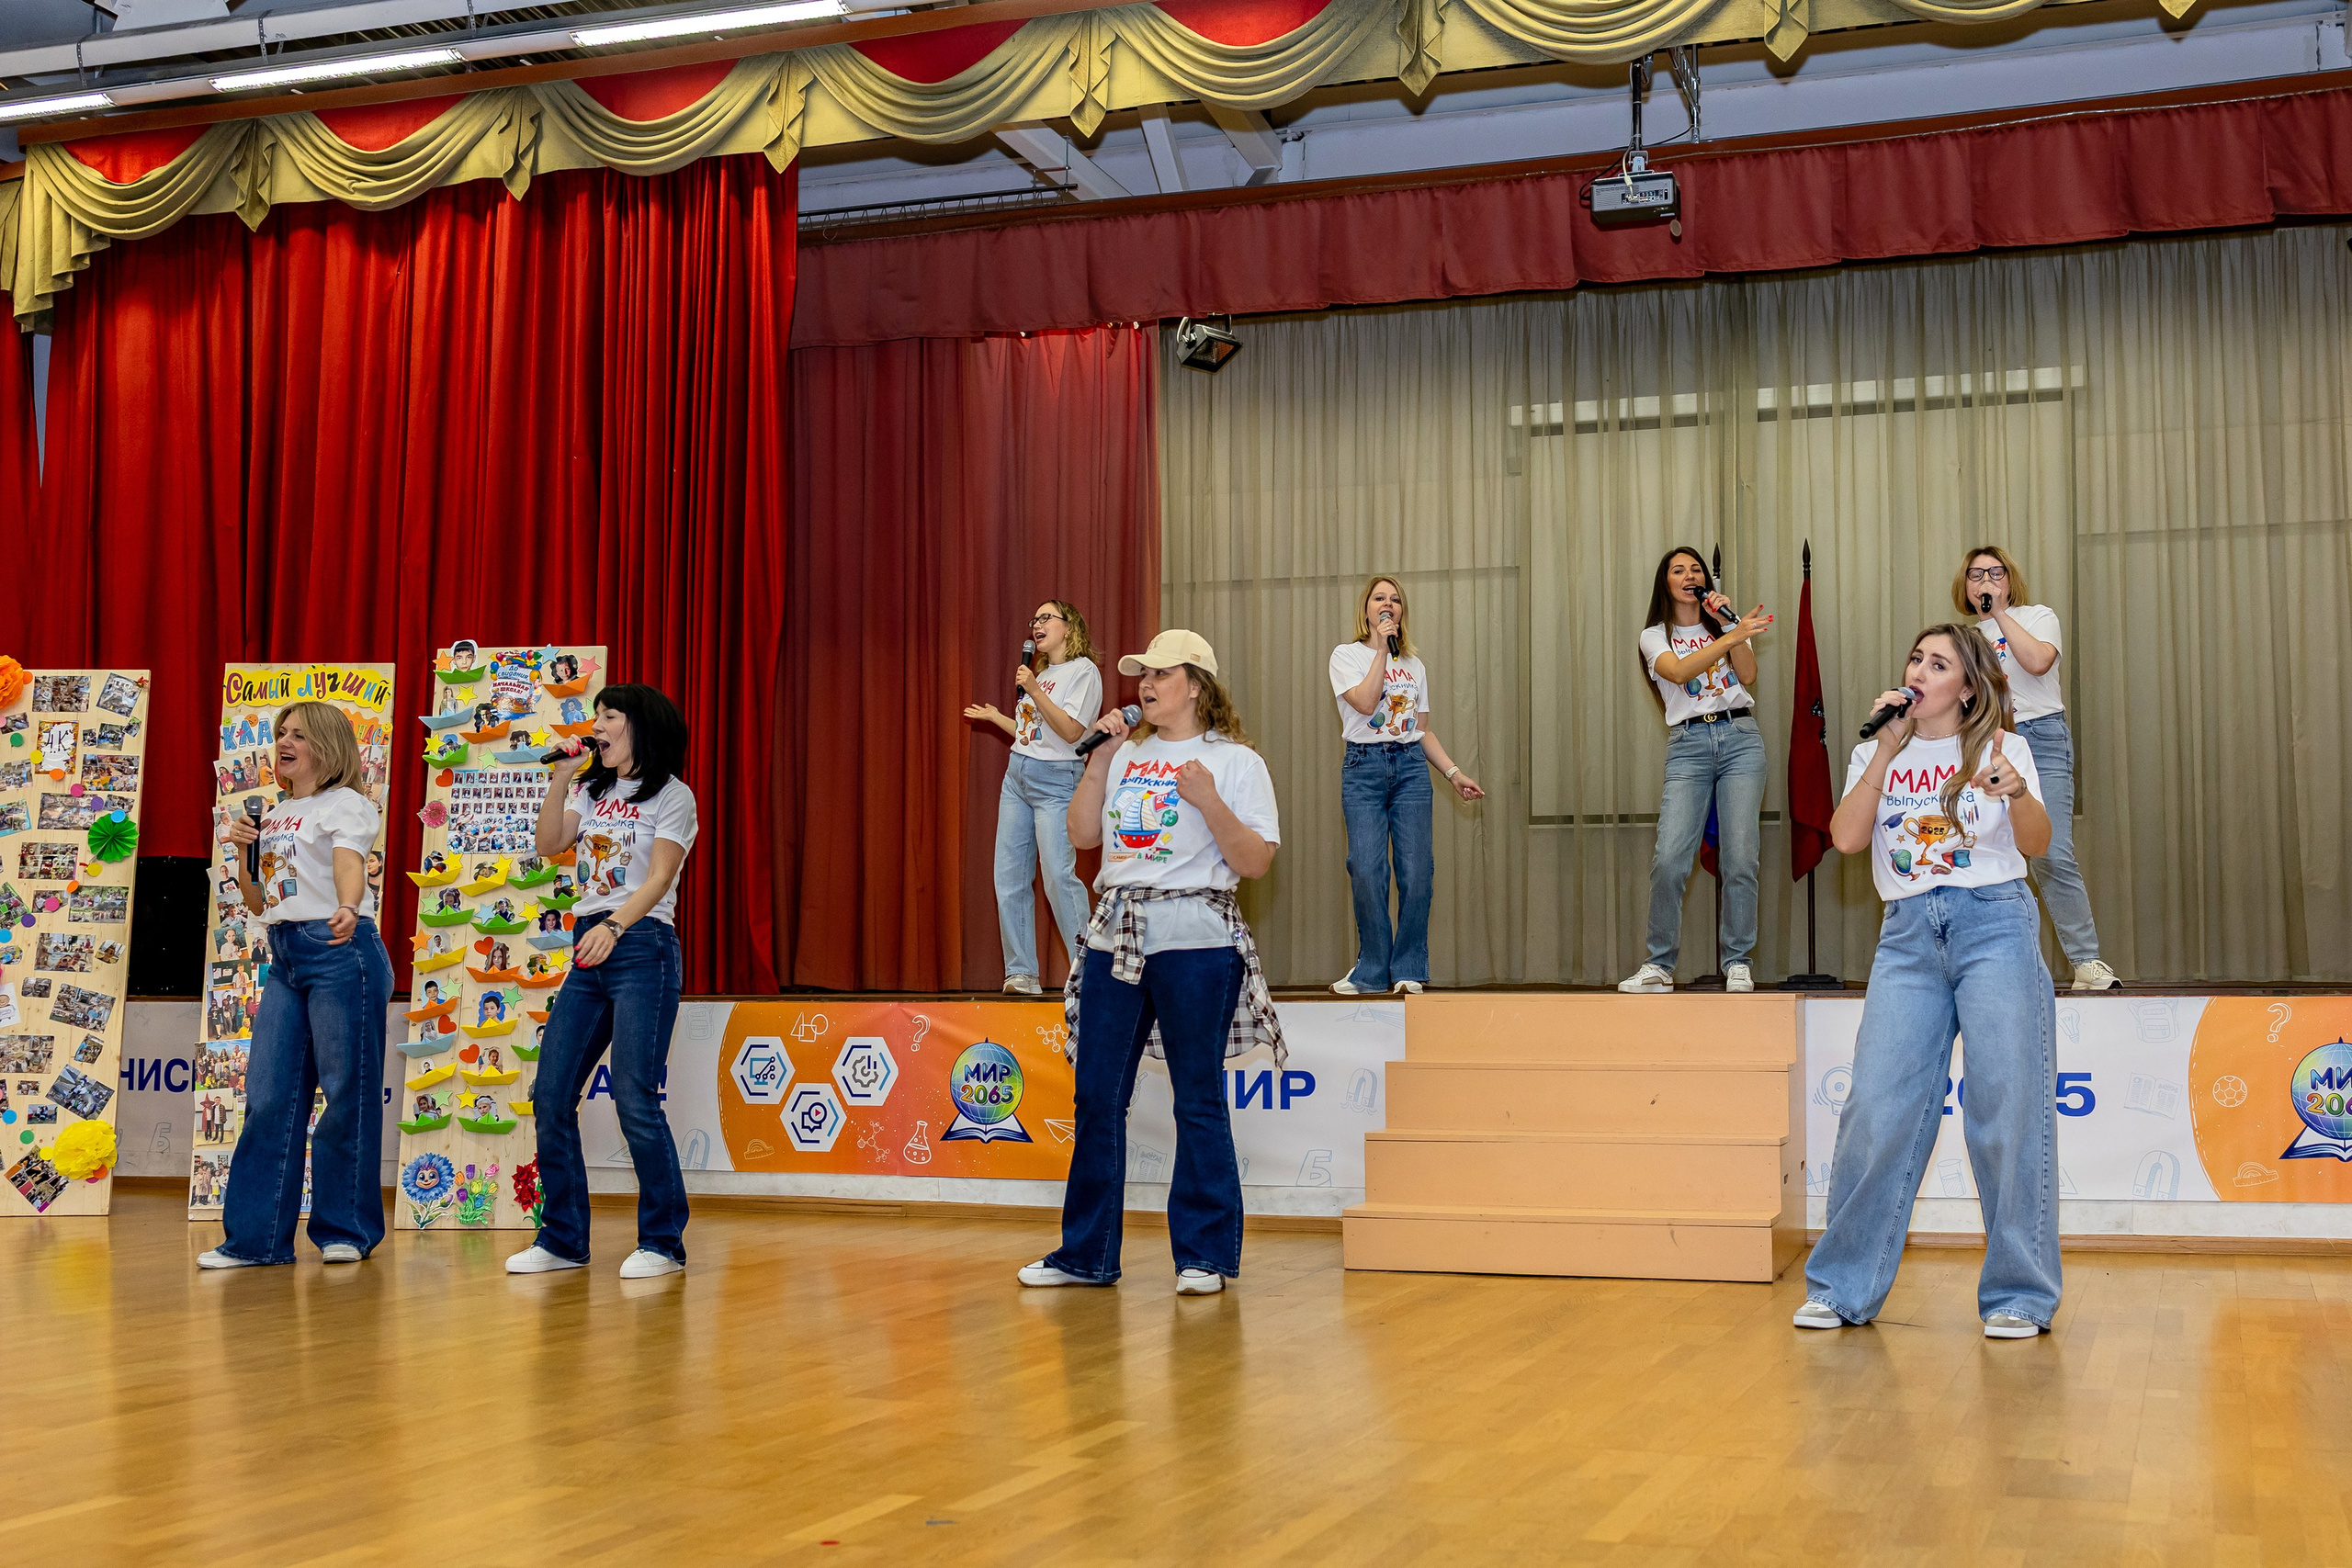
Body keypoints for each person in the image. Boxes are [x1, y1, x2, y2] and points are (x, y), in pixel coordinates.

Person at [1798, 624, 2060, 1339]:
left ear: (1967, 685)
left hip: (1994, 924)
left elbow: (2035, 843)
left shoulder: (2005, 748)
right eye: (1915, 657)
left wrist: (2018, 793)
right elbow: (1847, 837)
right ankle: (1843, 1286)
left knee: (2007, 1107)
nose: (1919, 668)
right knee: (1876, 1107)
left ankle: (2019, 1294)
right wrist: (1883, 751)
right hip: (1909, 938)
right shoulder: (1875, 748)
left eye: (1938, 662)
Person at [1017, 631, 1282, 1297]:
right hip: (1118, 935)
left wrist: (1209, 801)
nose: (1145, 683)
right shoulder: (1124, 754)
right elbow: (1082, 836)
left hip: (1197, 937)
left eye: (1161, 674)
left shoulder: (1236, 762)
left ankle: (1203, 1254)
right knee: (1097, 1095)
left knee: (1197, 1097)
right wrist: (1098, 763)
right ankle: (1087, 1253)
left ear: (1195, 684)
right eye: (1141, 674)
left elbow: (1254, 861)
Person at [506, 683, 699, 1280]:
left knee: (636, 1098)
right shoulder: (593, 789)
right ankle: (563, 1238)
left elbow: (661, 876)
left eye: (608, 717)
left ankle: (663, 1242)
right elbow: (548, 845)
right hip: (590, 943)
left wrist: (615, 926)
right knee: (551, 1093)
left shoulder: (673, 796)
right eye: (596, 718)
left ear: (640, 726)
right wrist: (562, 776)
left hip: (641, 944)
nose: (596, 727)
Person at [199, 701, 391, 1269]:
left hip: (340, 948)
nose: (284, 742)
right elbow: (259, 902)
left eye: (299, 735)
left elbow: (349, 862)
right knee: (268, 1097)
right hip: (284, 954)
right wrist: (241, 850)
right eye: (281, 733)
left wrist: (350, 905)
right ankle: (254, 1241)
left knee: (345, 1093)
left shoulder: (348, 805)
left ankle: (346, 1231)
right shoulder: (277, 811)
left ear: (327, 747)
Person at [1955, 546, 2118, 992]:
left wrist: (2000, 616)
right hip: (1985, 742)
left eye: (1993, 573)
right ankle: (1991, 966)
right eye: (1975, 576)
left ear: (2009, 581)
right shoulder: (1963, 639)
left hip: (2040, 737)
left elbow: (2038, 661)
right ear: (1964, 587)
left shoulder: (2037, 616)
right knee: (1984, 850)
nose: (1984, 582)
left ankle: (2086, 961)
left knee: (2052, 851)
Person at [1621, 547, 1773, 994]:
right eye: (1678, 570)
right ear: (1665, 583)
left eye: (1695, 569)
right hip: (1688, 745)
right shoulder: (1654, 635)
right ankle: (1659, 965)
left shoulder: (1723, 623)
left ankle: (1738, 962)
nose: (1690, 575)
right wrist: (1730, 636)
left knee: (1741, 858)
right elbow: (1680, 669)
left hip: (1741, 739)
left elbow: (1747, 674)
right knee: (1669, 858)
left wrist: (1729, 627)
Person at [1328, 576, 1484, 996]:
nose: (1388, 605)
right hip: (1363, 769)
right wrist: (1380, 650)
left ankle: (1409, 966)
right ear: (1367, 609)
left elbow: (1421, 729)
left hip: (1411, 768)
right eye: (1379, 598)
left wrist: (1453, 772)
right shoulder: (1346, 655)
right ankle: (1372, 968)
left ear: (1402, 612)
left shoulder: (1415, 665)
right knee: (1365, 866)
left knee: (1417, 872)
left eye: (1395, 600)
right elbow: (1363, 702)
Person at [965, 601, 1104, 994]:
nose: (1037, 625)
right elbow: (1034, 735)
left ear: (1069, 627)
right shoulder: (1041, 673)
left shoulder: (1083, 672)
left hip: (1057, 783)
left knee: (1059, 876)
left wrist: (1031, 689)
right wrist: (998, 718)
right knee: (1008, 877)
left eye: (1046, 618)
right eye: (1035, 620)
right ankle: (1022, 973)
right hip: (1017, 777)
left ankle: (1088, 971)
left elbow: (1072, 732)